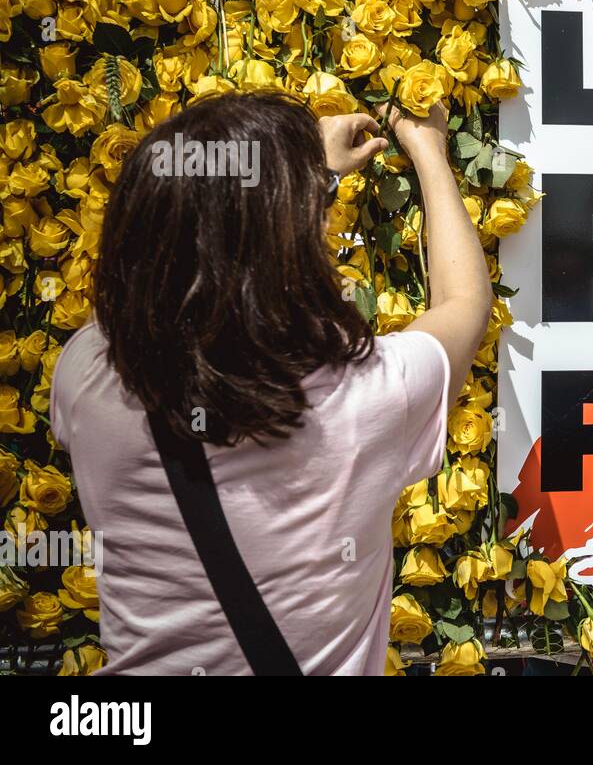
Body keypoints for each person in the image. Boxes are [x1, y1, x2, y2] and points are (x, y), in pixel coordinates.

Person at [49, 91, 491, 675]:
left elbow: (160, 274)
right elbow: (463, 302)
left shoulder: (87, 374)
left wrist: (291, 188)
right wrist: (428, 150)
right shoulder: (361, 398)